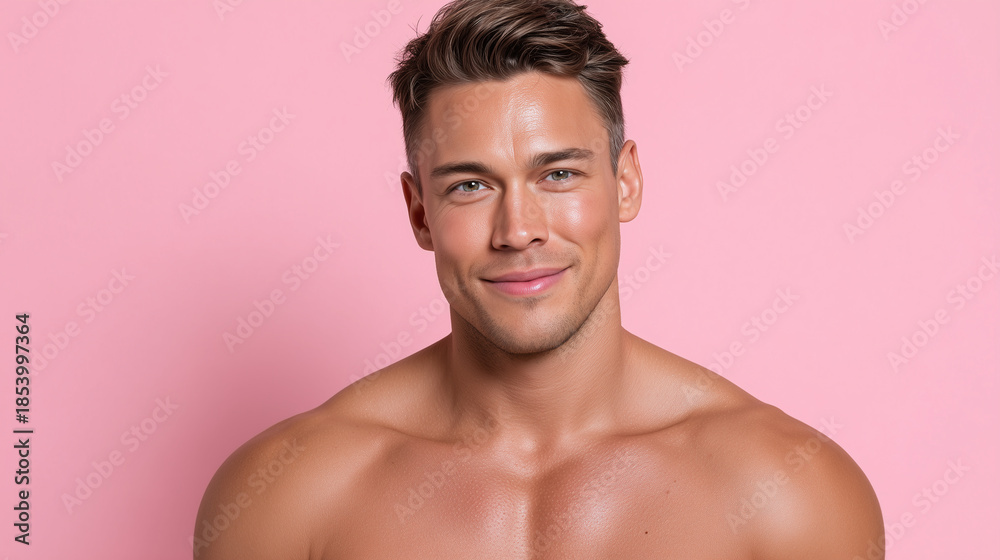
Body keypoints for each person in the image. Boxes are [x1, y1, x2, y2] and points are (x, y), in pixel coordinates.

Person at [193, 0, 885, 558]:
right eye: (470, 185)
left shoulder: (787, 492)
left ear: (625, 183)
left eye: (558, 174)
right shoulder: (291, 494)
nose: (518, 229)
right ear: (419, 212)